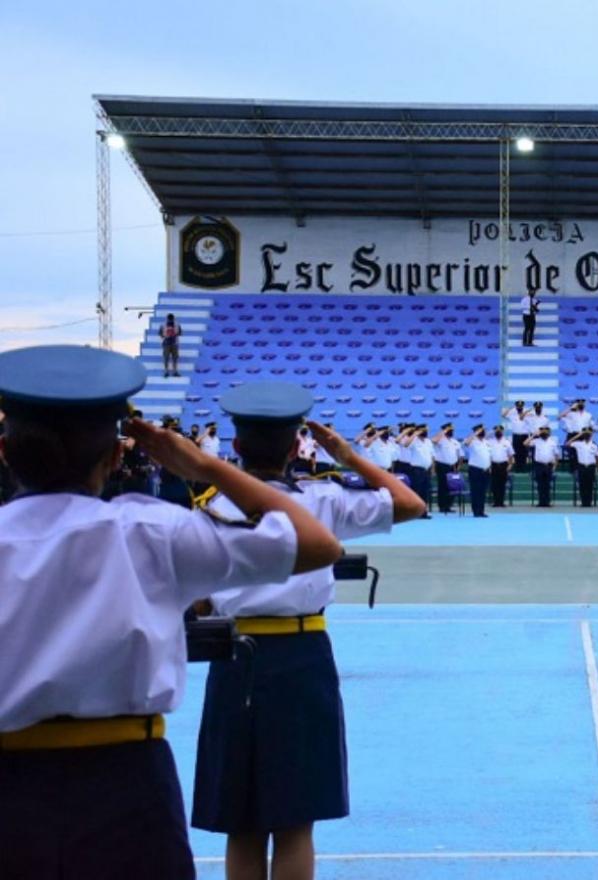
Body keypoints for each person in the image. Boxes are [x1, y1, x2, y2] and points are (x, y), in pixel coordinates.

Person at [0, 345, 341, 879]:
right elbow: (316, 543)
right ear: (116, 457)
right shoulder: (152, 531)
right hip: (128, 783)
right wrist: (203, 465)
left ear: (5, 451)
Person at [191, 383, 424, 880]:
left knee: (242, 822)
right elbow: (410, 503)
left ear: (236, 446)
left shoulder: (211, 507)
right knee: (296, 820)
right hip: (303, 654)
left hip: (234, 657)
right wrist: (348, 455)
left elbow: (195, 599)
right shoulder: (323, 499)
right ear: (297, 447)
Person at [430, 423, 461, 513]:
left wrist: (456, 466)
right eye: (449, 430)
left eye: (452, 430)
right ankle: (442, 506)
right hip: (442, 465)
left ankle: (448, 505)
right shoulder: (441, 440)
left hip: (452, 466)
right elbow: (434, 440)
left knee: (451, 486)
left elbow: (457, 455)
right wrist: (443, 431)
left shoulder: (454, 441)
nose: (451, 432)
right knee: (443, 486)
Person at [462, 425, 491, 518]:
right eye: (481, 430)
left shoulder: (486, 442)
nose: (483, 432)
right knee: (475, 491)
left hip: (485, 470)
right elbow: (466, 443)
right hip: (475, 469)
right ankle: (476, 511)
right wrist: (475, 434)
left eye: (483, 430)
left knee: (483, 491)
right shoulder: (472, 441)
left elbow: (488, 455)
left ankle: (481, 511)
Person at [526, 425, 559, 507]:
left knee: (547, 485)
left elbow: (557, 455)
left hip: (549, 465)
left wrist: (555, 466)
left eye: (546, 431)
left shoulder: (553, 442)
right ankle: (541, 502)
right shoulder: (536, 441)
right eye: (542, 431)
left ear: (549, 433)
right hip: (539, 465)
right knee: (540, 485)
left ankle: (547, 502)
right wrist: (534, 435)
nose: (544, 433)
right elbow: (525, 443)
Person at [567, 429, 598, 507]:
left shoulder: (594, 446)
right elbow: (568, 443)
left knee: (589, 485)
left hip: (591, 467)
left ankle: (589, 502)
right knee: (582, 485)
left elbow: (597, 458)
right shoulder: (578, 444)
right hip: (581, 466)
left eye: (588, 435)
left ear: (591, 436)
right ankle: (583, 502)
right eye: (585, 435)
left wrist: (596, 469)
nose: (587, 436)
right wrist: (578, 435)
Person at [487, 425, 514, 508]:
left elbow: (511, 455)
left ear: (503, 431)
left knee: (502, 484)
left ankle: (501, 502)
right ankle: (496, 502)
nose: (498, 432)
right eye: (497, 430)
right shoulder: (489, 442)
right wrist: (489, 466)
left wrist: (510, 465)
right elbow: (487, 455)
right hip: (493, 465)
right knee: (494, 484)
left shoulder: (507, 442)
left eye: (500, 430)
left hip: (503, 465)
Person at [503, 402, 530, 473]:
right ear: (516, 407)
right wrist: (509, 408)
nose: (519, 408)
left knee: (524, 453)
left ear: (523, 407)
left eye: (521, 406)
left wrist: (526, 413)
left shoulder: (527, 415)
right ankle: (517, 469)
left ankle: (524, 469)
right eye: (518, 406)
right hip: (516, 435)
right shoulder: (512, 415)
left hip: (524, 435)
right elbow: (503, 415)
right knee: (516, 452)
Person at [159, 313, 183, 378]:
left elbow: (180, 333)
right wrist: (166, 335)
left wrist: (174, 333)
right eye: (169, 319)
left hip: (174, 343)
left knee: (175, 358)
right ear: (167, 319)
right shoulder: (163, 325)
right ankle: (166, 371)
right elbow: (160, 334)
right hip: (166, 343)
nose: (170, 320)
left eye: (171, 319)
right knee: (166, 357)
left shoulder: (177, 325)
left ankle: (175, 371)